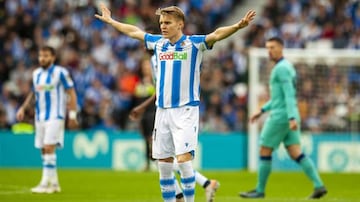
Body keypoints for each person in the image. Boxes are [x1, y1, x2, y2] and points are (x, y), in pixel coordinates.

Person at [95, 4, 255, 201]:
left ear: (180, 24)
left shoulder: (194, 44)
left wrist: (238, 26)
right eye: (161, 22)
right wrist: (111, 21)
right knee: (164, 164)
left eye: (167, 22)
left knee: (184, 160)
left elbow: (216, 34)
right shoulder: (158, 43)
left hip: (185, 110)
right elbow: (134, 32)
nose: (163, 26)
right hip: (162, 111)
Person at [239, 37, 327, 199]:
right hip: (288, 115)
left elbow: (289, 95)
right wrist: (262, 110)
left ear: (281, 48)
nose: (269, 51)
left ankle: (259, 190)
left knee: (264, 149)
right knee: (295, 152)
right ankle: (319, 185)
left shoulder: (281, 69)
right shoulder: (286, 67)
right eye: (267, 48)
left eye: (272, 47)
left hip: (281, 117)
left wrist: (292, 117)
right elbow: (279, 97)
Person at [129, 95, 220, 202]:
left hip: (164, 111)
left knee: (165, 159)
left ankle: (193, 189)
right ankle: (200, 186)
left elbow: (160, 91)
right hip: (162, 111)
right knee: (162, 160)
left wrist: (142, 106)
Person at [16, 46, 78, 194]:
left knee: (49, 147)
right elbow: (33, 93)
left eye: (46, 56)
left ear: (53, 57)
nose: (42, 59)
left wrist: (73, 115)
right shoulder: (36, 73)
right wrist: (23, 108)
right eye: (40, 56)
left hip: (55, 116)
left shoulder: (61, 73)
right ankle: (55, 184)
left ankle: (44, 184)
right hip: (40, 117)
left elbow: (72, 92)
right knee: (44, 150)